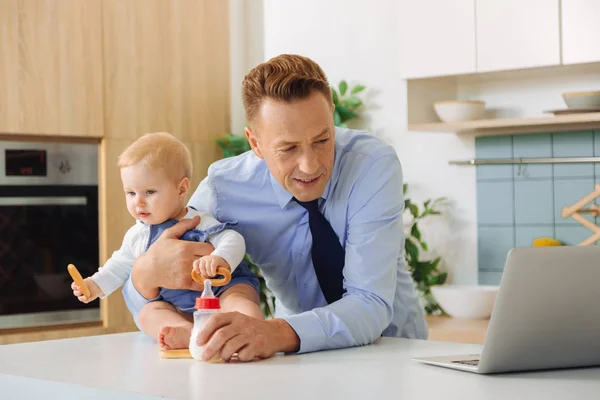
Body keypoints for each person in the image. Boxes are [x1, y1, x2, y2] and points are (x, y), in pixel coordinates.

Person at [123, 54, 428, 362]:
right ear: (254, 142)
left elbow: (369, 302)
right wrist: (142, 277)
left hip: (393, 351)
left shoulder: (371, 165)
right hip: (293, 361)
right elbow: (167, 261)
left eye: (322, 140)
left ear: (332, 116)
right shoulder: (224, 188)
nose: (310, 165)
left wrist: (274, 333)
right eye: (289, 148)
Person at [71, 132, 262, 350]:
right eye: (130, 193)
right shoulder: (138, 235)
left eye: (149, 192)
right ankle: (188, 332)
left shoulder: (198, 220)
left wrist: (220, 258)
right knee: (148, 314)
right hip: (180, 309)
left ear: (181, 189)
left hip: (223, 289)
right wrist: (94, 285)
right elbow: (119, 266)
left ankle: (252, 328)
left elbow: (233, 239)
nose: (138, 202)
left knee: (238, 300)